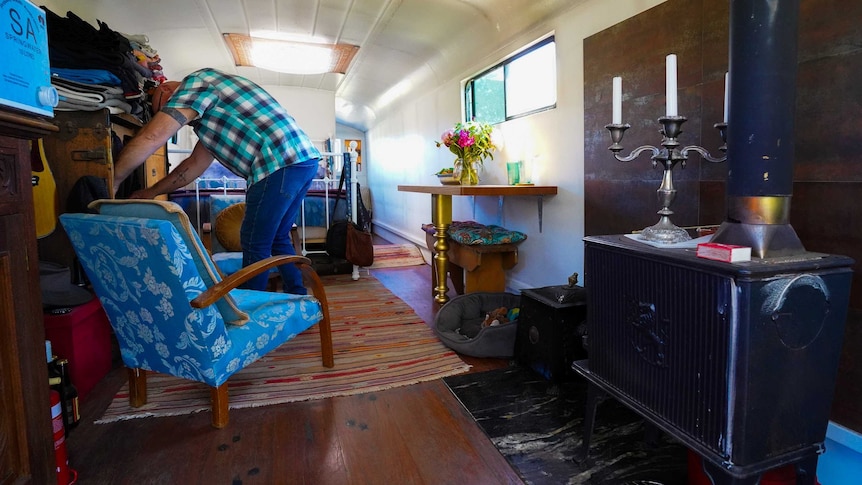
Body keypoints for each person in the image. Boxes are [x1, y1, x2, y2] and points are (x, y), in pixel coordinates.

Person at [112, 68, 320, 294]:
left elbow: (152, 136)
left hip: (277, 162)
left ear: (165, 91)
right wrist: (151, 191)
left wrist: (114, 180)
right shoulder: (211, 117)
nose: (168, 118)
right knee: (278, 236)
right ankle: (298, 296)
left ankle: (252, 311)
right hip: (303, 161)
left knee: (254, 242)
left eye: (161, 110)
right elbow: (193, 166)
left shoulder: (196, 82)